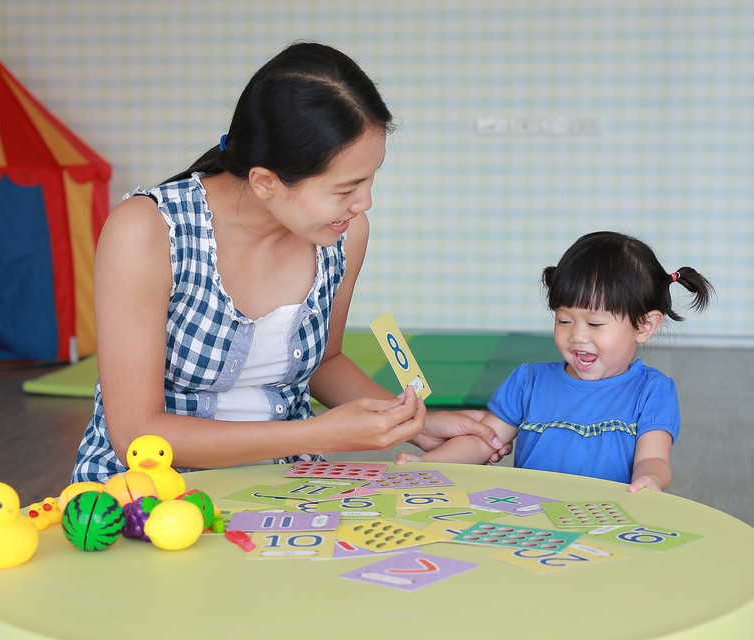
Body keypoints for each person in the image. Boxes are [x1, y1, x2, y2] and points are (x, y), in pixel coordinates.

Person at [73, 42, 504, 482]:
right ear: (265, 182)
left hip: (285, 489)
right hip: (150, 496)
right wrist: (316, 434)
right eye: (345, 188)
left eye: (370, 180)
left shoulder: (344, 236)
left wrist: (414, 421)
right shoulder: (148, 232)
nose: (364, 203)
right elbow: (136, 436)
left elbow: (326, 361)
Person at [397, 231, 715, 493]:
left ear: (644, 326)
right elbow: (482, 441)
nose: (576, 336)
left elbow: (654, 458)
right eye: (564, 321)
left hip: (610, 520)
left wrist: (652, 480)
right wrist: (428, 465)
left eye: (594, 324)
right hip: (530, 518)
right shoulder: (529, 382)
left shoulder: (652, 390)